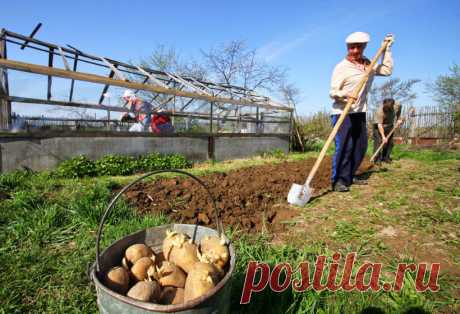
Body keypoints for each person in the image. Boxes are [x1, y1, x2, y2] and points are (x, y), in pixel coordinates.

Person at [329, 32, 394, 192]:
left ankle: (349, 176)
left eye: (358, 47)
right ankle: (338, 181)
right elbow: (333, 91)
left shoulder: (368, 64)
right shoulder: (341, 67)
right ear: (347, 48)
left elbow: (386, 70)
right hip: (342, 112)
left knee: (360, 146)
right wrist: (345, 95)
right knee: (345, 146)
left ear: (364, 47)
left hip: (359, 112)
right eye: (352, 47)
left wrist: (386, 49)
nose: (355, 50)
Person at [372, 98, 402, 163]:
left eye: (389, 108)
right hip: (379, 127)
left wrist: (398, 119)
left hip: (390, 126)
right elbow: (379, 125)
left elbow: (399, 111)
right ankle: (377, 159)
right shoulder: (379, 111)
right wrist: (383, 137)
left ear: (393, 105)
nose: (387, 110)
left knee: (390, 143)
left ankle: (386, 157)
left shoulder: (397, 105)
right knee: (379, 142)